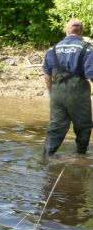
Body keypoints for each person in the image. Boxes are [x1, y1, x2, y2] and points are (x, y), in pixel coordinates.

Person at [42, 18, 93, 158]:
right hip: (78, 94)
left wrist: (52, 94)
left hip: (57, 93)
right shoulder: (87, 49)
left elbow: (47, 75)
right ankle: (81, 158)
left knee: (55, 128)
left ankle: (46, 158)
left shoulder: (51, 50)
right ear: (81, 31)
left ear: (66, 30)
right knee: (83, 127)